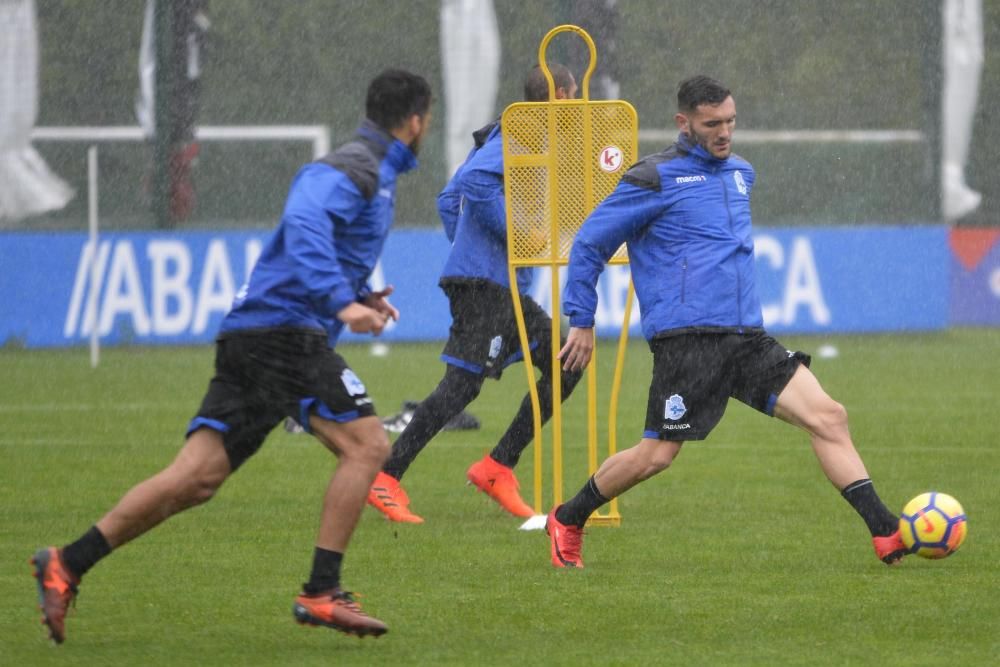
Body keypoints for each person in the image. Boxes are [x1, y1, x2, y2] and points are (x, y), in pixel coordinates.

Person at [30, 68, 432, 642]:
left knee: (196, 478)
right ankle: (321, 590)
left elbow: (322, 241)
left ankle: (67, 562)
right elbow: (303, 221)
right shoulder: (355, 167)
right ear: (415, 121)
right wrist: (341, 303)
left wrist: (357, 292)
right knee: (367, 444)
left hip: (259, 333)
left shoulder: (373, 171)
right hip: (281, 333)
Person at [546, 75, 908, 568]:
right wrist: (581, 320)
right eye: (711, 123)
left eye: (730, 122)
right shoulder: (653, 177)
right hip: (688, 342)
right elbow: (589, 242)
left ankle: (886, 532)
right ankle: (568, 517)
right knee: (657, 456)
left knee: (829, 416)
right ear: (684, 123)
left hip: (747, 337)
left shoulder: (741, 173)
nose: (724, 132)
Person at [367, 64, 583, 523]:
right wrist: (514, 236)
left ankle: (497, 466)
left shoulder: (518, 136)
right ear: (561, 97)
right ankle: (386, 477)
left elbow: (448, 200)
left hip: (495, 284)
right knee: (460, 388)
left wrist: (470, 247)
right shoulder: (520, 135)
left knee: (568, 363)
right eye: (575, 97)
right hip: (485, 286)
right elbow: (473, 185)